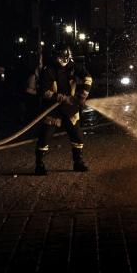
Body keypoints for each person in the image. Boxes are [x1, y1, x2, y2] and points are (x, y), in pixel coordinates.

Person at [35, 43, 93, 175]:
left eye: (65, 58)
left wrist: (84, 93)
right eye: (60, 58)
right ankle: (39, 165)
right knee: (45, 136)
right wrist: (60, 97)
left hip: (70, 108)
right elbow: (43, 91)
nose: (63, 61)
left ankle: (78, 163)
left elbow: (88, 77)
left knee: (77, 136)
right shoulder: (48, 69)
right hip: (52, 109)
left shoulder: (72, 66)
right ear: (55, 57)